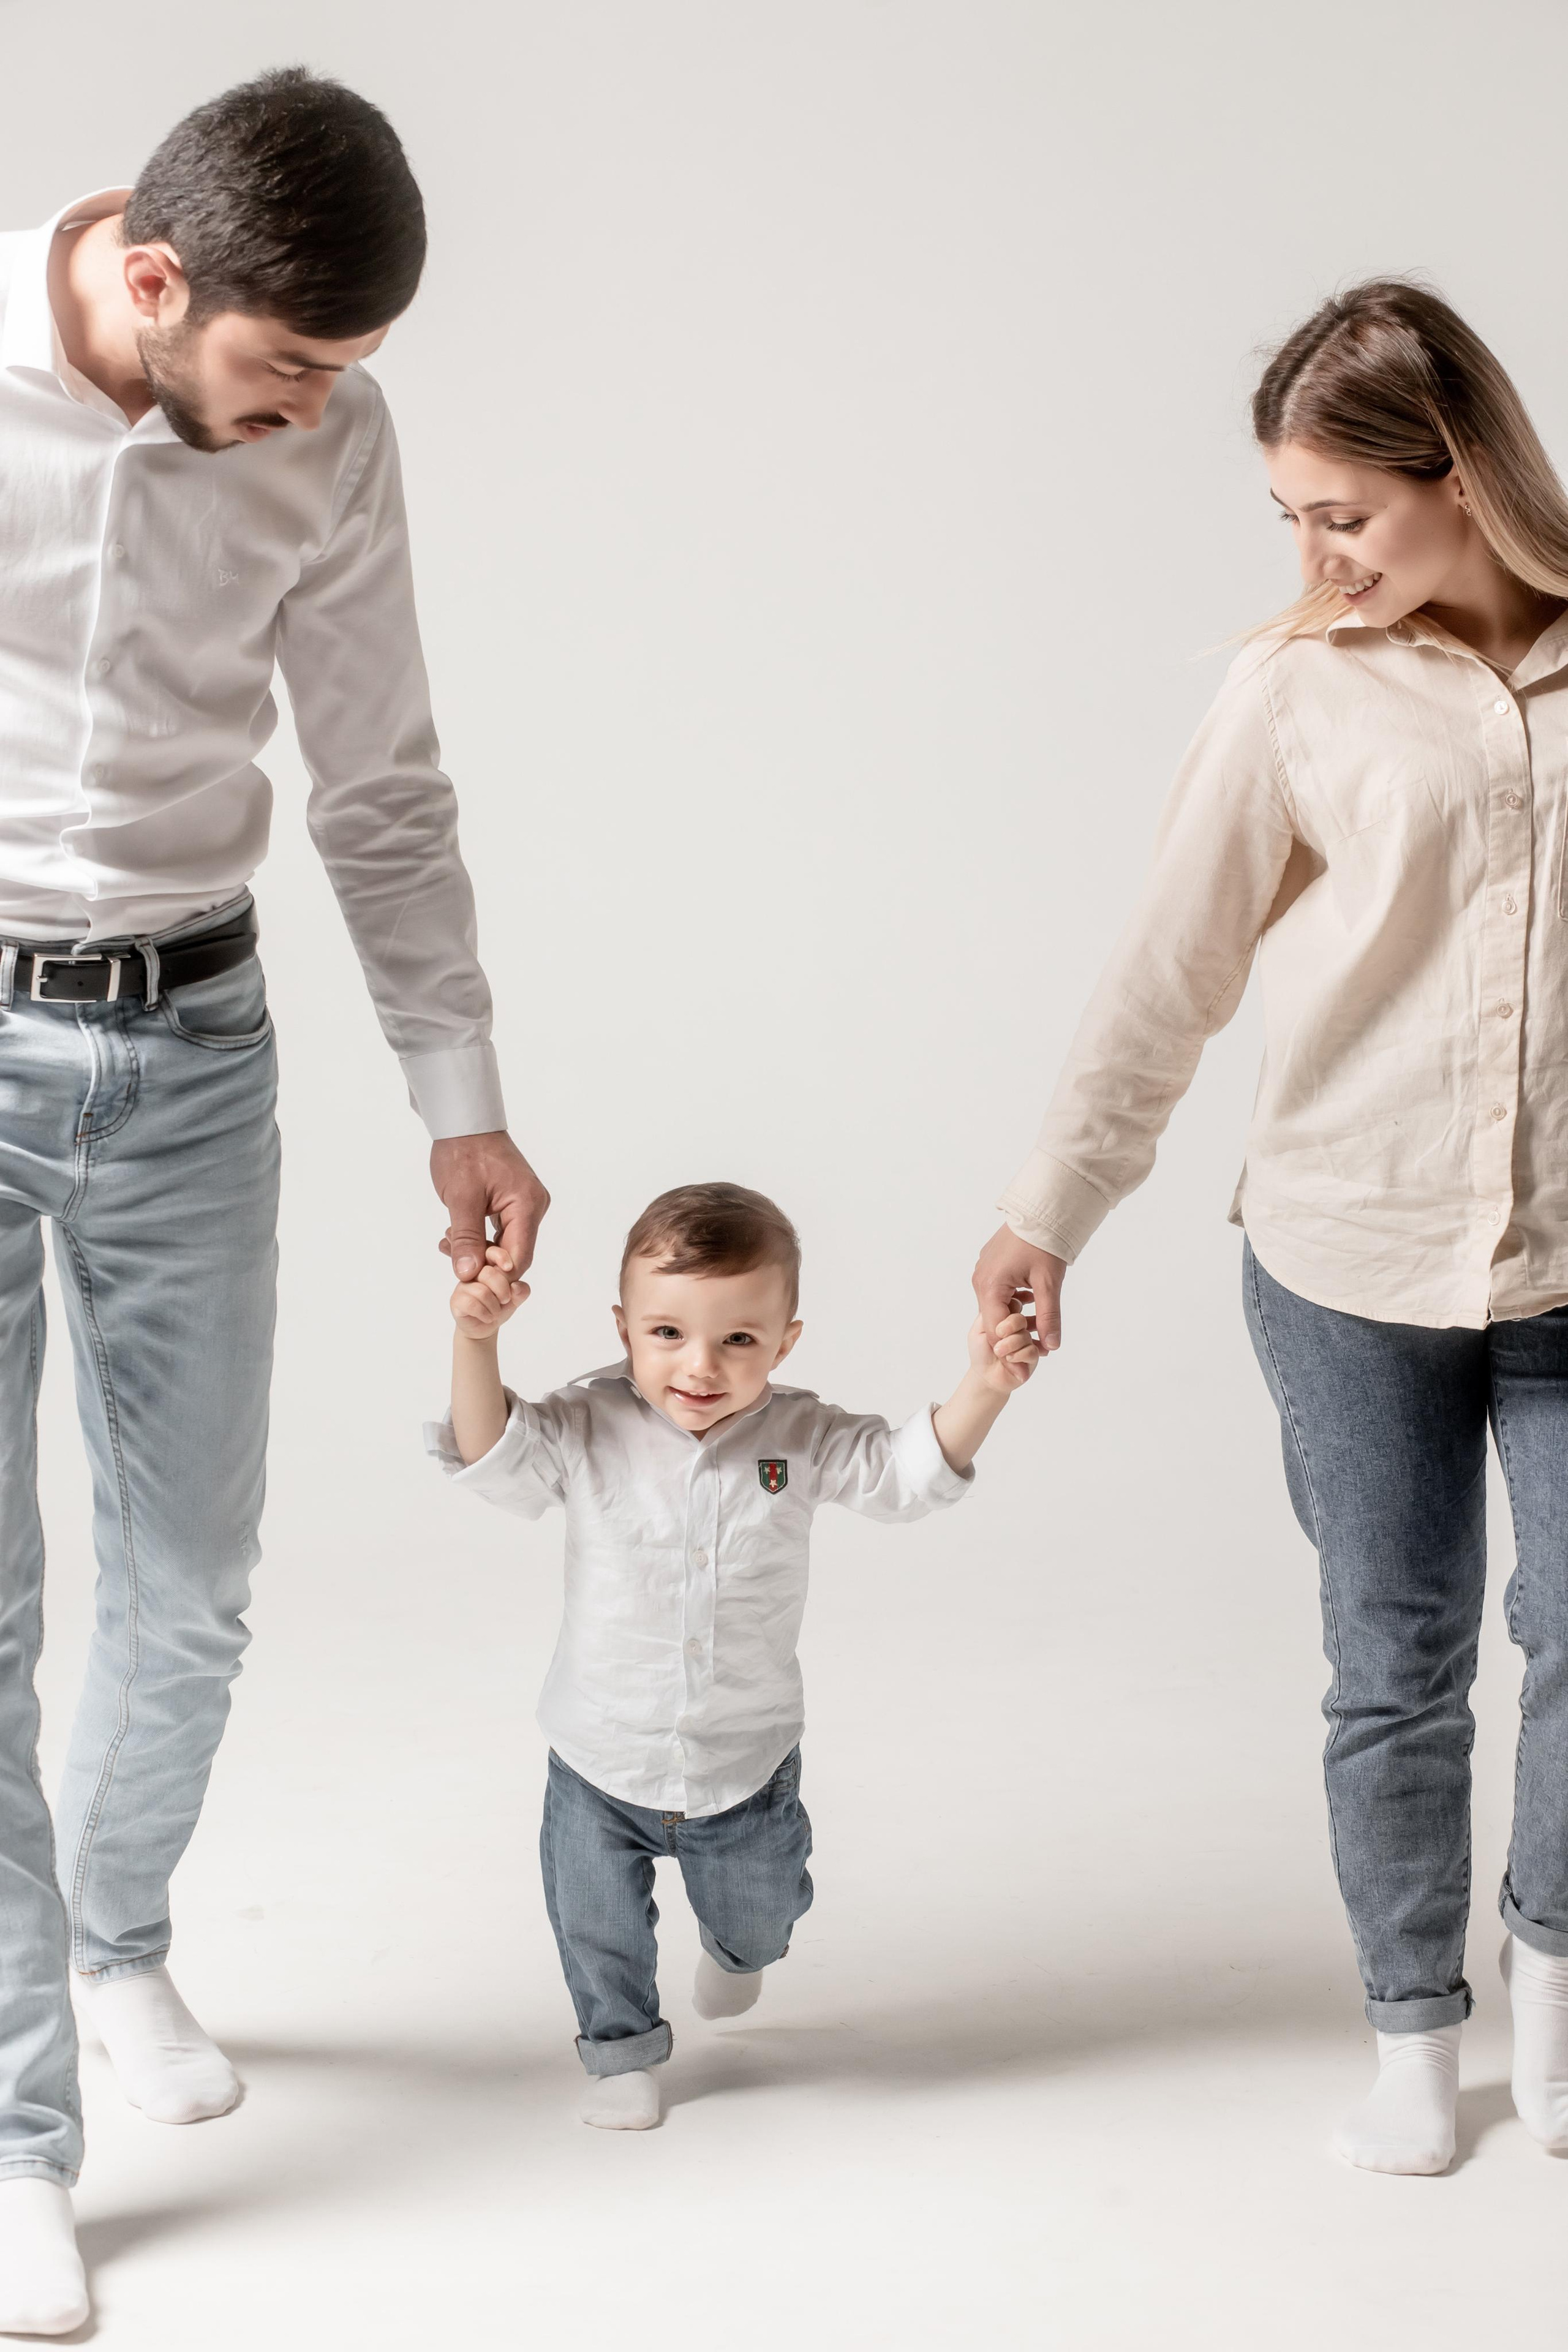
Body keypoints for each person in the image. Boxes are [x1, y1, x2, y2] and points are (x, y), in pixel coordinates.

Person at [0, 69, 548, 2331]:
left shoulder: (331, 437)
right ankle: (21, 2128)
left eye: (347, 377)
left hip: (197, 1047)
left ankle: (116, 1935)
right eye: (290, 368)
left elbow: (382, 776)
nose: (320, 409)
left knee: (195, 1584)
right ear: (153, 285)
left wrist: (463, 1093)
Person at [972, 279, 1568, 2179]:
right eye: (1291, 520)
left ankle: (1551, 1988)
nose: (1316, 556)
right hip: (1347, 1255)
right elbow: (1173, 973)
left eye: (1347, 513)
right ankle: (1414, 2030)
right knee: (1393, 1660)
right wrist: (1048, 1208)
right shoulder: (1296, 687)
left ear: (1464, 476)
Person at [430, 1182, 1038, 2130]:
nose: (701, 1366)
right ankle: (621, 2051)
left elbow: (904, 1475)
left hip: (742, 1761)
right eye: (667, 1333)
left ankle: (739, 1953)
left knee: (760, 1922)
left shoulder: (796, 1436)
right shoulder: (588, 1425)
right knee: (597, 1928)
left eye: (739, 1340)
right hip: (599, 1755)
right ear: (625, 1326)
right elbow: (493, 1454)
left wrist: (985, 1388)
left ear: (785, 1341)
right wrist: (477, 1338)